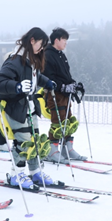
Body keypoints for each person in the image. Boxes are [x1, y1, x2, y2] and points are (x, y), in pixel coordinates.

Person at [0, 27, 57, 189]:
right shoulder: (15, 60)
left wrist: (46, 82)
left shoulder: (30, 60)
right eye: (40, 45)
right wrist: (17, 86)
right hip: (16, 108)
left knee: (35, 140)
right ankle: (16, 174)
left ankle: (35, 171)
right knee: (23, 141)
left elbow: (34, 77)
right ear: (32, 40)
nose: (41, 49)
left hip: (30, 107)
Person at [43, 28, 87, 163]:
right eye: (64, 40)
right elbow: (48, 77)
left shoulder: (61, 55)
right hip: (54, 93)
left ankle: (67, 148)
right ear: (57, 40)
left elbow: (65, 75)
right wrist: (62, 86)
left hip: (64, 95)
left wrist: (73, 84)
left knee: (67, 121)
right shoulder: (48, 55)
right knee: (57, 122)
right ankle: (52, 150)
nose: (66, 43)